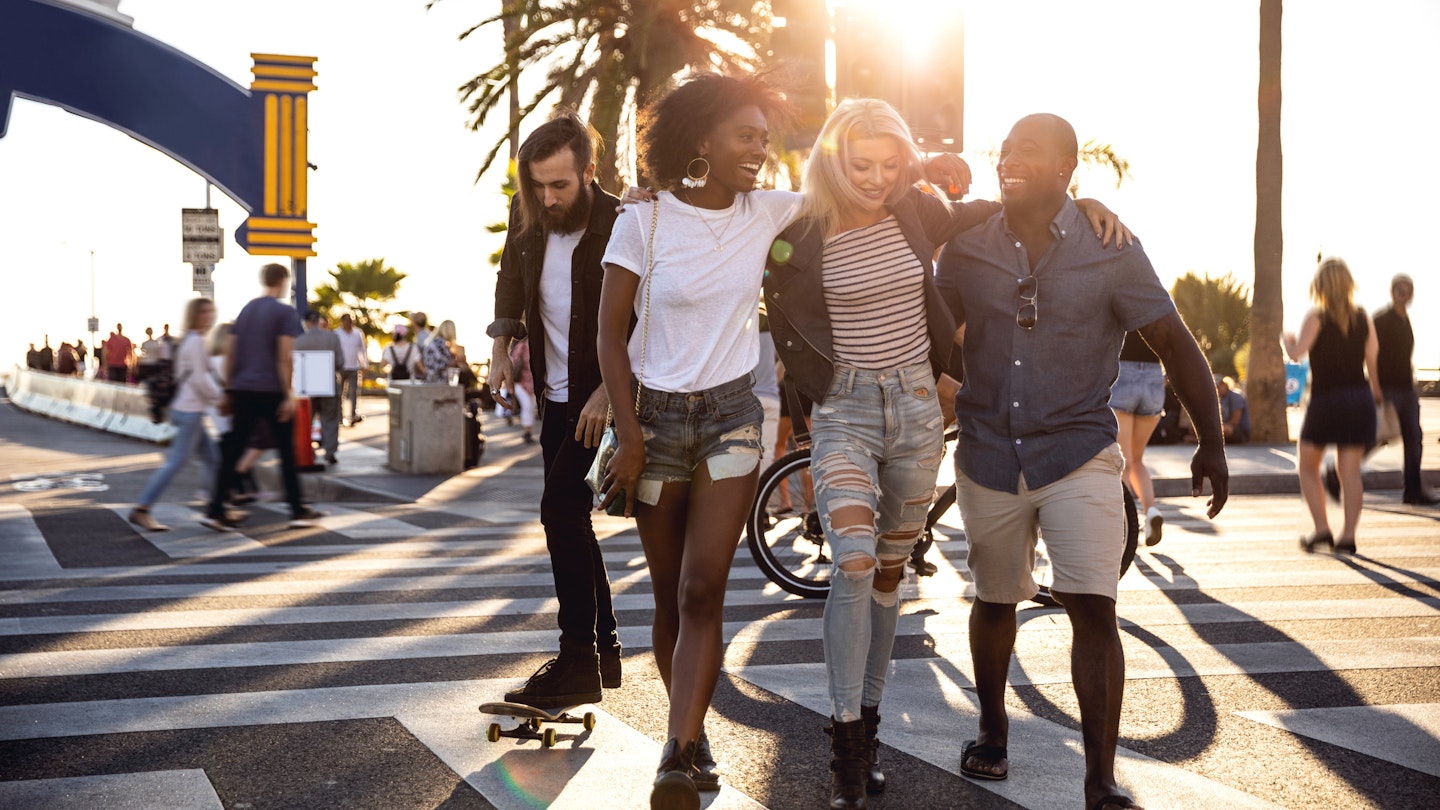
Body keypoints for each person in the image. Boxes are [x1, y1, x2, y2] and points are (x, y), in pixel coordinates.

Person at [765, 98, 1131, 809]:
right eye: (860, 164)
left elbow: (1009, 206)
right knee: (854, 561)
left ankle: (868, 730)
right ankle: (844, 750)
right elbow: (718, 227)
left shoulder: (917, 213)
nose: (875, 179)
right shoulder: (796, 231)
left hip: (913, 414)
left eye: (890, 164)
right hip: (843, 413)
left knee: (889, 578)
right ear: (833, 158)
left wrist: (1082, 203)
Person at [935, 113, 1228, 810]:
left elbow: (1174, 341)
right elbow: (931, 337)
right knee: (995, 597)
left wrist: (1210, 440)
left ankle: (1100, 779)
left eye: (1028, 151)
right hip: (985, 455)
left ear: (1066, 167)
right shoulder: (967, 246)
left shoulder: (1111, 249)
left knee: (1094, 606)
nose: (1009, 159)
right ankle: (993, 728)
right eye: (1004, 149)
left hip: (1079, 453)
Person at [486, 112, 625, 717]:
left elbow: (651, 317)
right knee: (571, 519)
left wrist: (611, 394)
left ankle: (577, 662)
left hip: (605, 403)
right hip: (557, 399)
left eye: (560, 185)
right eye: (537, 185)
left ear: (589, 172)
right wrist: (500, 344)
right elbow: (510, 278)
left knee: (559, 510)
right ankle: (603, 651)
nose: (547, 197)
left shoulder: (624, 221)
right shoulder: (531, 218)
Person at [202, 263, 325, 531]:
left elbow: (232, 352)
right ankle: (297, 510)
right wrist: (288, 395)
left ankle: (215, 509)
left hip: (242, 390)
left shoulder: (247, 310)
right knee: (286, 451)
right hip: (270, 390)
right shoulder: (284, 312)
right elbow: (284, 357)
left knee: (233, 450)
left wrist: (228, 389)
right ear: (282, 281)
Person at [1283, 257, 1382, 553]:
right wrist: (1375, 391)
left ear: (1320, 286)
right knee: (1349, 473)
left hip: (1327, 400)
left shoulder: (1317, 316)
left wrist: (1287, 339)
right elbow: (1372, 359)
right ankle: (1349, 536)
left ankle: (1323, 529)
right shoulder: (1363, 317)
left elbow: (1297, 353)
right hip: (1358, 397)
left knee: (1307, 465)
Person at [129, 298, 222, 531]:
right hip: (190, 411)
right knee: (175, 463)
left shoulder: (188, 341)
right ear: (195, 316)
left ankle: (217, 510)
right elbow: (201, 380)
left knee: (213, 460)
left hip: (187, 409)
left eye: (212, 311)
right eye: (205, 312)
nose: (210, 316)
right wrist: (222, 399)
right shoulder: (197, 341)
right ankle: (143, 508)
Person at [1109, 330, 1167, 545]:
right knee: (1137, 459)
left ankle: (1125, 524)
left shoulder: (1120, 300)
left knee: (1123, 462)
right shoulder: (1156, 303)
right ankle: (1151, 510)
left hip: (1124, 373)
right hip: (1154, 376)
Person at [295, 310, 343, 465]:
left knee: (305, 422)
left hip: (306, 389)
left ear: (306, 323)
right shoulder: (332, 338)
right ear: (319, 321)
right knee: (330, 420)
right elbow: (340, 362)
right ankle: (330, 452)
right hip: (328, 385)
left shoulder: (299, 341)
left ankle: (309, 451)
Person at [336, 313, 366, 426]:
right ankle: (339, 416)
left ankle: (353, 415)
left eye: (351, 320)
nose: (350, 323)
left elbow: (362, 350)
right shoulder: (337, 333)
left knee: (354, 392)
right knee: (339, 393)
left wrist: (364, 364)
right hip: (341, 367)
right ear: (342, 321)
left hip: (354, 366)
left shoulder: (358, 333)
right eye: (348, 320)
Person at [508, 338, 537, 444]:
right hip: (520, 382)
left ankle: (528, 431)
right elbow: (514, 362)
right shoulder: (522, 346)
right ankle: (527, 432)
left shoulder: (538, 346)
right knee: (527, 406)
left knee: (532, 407)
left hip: (532, 382)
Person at [422, 319, 462, 384]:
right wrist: (458, 360)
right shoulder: (440, 344)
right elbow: (443, 364)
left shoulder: (433, 342)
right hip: (438, 381)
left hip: (430, 379)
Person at [1215, 375, 1251, 445]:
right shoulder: (1221, 398)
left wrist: (1217, 429)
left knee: (1225, 430)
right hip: (1224, 428)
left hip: (1239, 431)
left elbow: (1235, 421)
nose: (1217, 389)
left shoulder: (1236, 396)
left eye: (1218, 387)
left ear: (1225, 385)